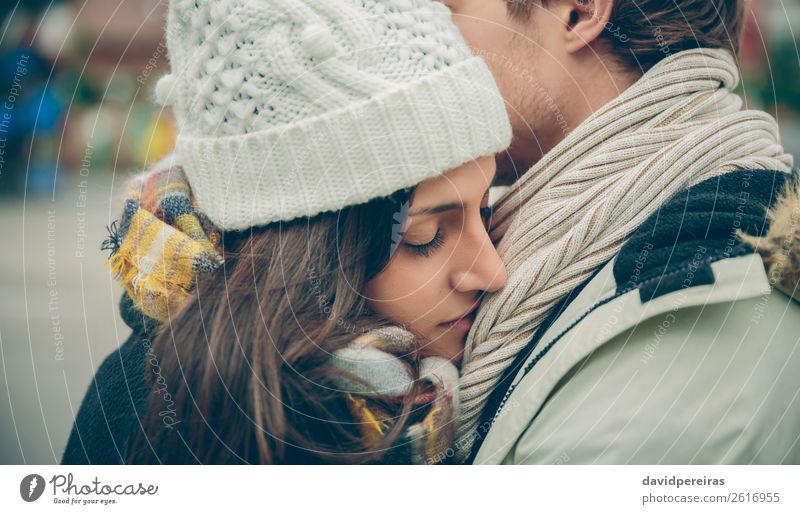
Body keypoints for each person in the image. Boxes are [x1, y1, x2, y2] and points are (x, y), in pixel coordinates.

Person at [61, 0, 512, 464]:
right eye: (427, 235)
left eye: (486, 209)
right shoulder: (266, 434)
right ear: (306, 247)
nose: (493, 272)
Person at [440, 0, 800, 463]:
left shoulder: (692, 328)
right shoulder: (666, 256)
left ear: (580, 11)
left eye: (448, 11)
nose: (425, 46)